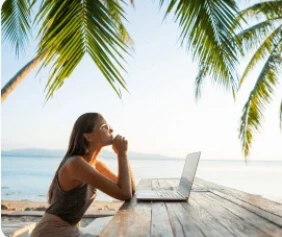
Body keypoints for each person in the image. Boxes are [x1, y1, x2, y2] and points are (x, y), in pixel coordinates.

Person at [31, 112, 135, 237]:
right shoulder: (75, 164)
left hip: (71, 231)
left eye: (109, 126)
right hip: (51, 232)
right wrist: (121, 154)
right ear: (88, 136)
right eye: (104, 127)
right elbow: (124, 194)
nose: (111, 130)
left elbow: (131, 189)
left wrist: (123, 154)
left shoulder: (95, 165)